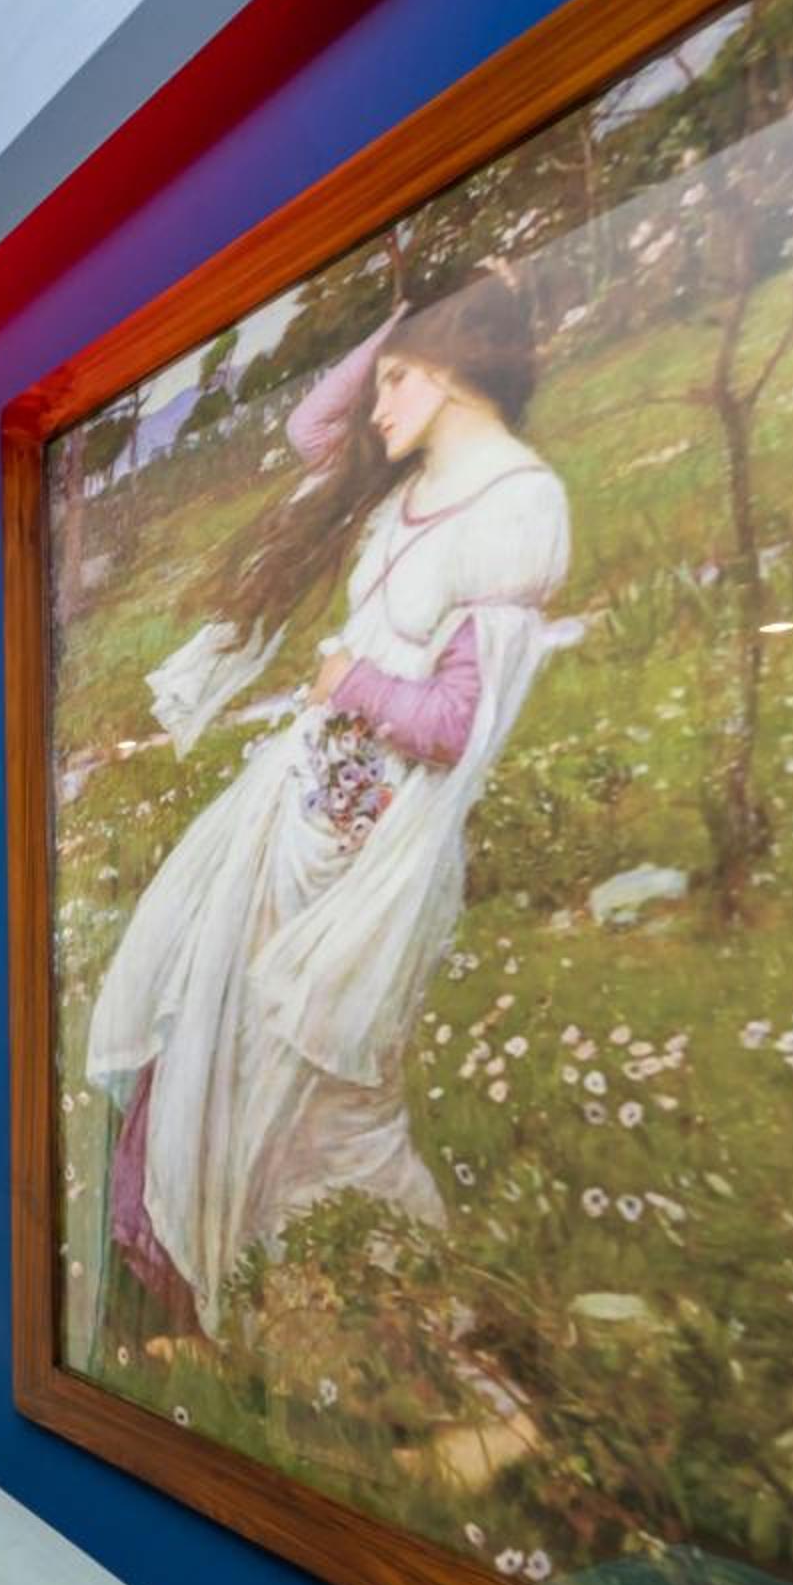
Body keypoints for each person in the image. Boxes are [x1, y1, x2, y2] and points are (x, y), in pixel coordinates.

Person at [85, 263, 572, 1342]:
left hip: (371, 856)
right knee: (211, 1048)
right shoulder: (401, 488)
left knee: (319, 1102)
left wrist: (346, 681)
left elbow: (457, 725)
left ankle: (389, 1330)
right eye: (384, 377)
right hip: (301, 824)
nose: (376, 403)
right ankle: (215, 1315)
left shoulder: (519, 506)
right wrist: (405, 320)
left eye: (397, 379)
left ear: (453, 374)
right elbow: (315, 422)